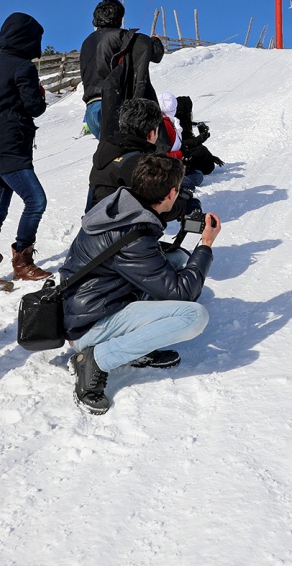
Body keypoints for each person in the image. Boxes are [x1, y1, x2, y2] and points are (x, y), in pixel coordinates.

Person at [61, 155, 220, 415]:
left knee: (178, 259)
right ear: (171, 193)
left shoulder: (119, 207)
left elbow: (141, 259)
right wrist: (206, 245)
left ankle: (134, 347)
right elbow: (183, 292)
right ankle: (94, 361)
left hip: (87, 305)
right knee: (194, 317)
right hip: (88, 325)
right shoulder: (133, 234)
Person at [0, 12, 52, 293]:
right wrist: (39, 95)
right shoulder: (23, 66)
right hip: (10, 140)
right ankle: (22, 262)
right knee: (35, 199)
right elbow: (34, 107)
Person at [88, 97, 162, 210]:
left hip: (93, 222)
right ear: (151, 134)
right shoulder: (139, 163)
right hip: (117, 225)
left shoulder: (107, 151)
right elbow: (158, 205)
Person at [79, 0, 126, 139]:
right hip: (111, 103)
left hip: (91, 107)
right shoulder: (120, 36)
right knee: (125, 154)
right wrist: (155, 42)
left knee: (108, 154)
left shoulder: (87, 42)